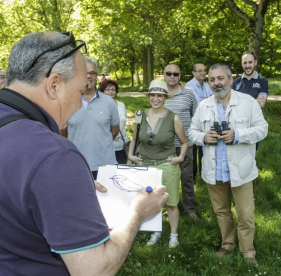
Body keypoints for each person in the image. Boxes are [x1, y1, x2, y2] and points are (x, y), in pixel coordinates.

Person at [0, 31, 168, 275]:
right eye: (79, 92)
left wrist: (58, 187)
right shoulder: (54, 156)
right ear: (54, 85)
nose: (80, 105)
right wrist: (137, 213)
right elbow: (94, 270)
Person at [189, 63, 268, 265]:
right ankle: (228, 244)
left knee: (245, 215)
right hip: (215, 170)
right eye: (212, 80)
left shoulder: (248, 102)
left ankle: (248, 252)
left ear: (231, 80)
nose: (216, 83)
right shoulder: (203, 106)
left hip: (241, 170)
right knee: (222, 212)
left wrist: (239, 135)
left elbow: (263, 129)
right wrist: (204, 137)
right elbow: (192, 132)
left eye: (221, 78)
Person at [128, 80, 188, 248]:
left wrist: (180, 157)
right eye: (152, 95)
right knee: (149, 202)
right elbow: (134, 139)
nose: (156, 99)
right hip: (145, 165)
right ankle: (156, 231)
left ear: (164, 98)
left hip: (166, 164)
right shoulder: (140, 115)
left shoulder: (173, 117)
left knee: (171, 203)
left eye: (159, 96)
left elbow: (184, 142)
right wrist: (131, 155)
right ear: (148, 97)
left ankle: (173, 234)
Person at [61, 57, 120, 179]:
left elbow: (114, 130)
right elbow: (63, 133)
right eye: (85, 72)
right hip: (78, 165)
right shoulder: (67, 102)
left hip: (105, 166)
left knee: (106, 198)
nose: (89, 76)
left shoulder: (109, 102)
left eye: (92, 73)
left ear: (97, 76)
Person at [163, 63, 199, 219]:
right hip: (164, 145)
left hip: (186, 145)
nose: (172, 76)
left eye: (175, 74)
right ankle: (171, 206)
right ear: (163, 74)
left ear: (180, 76)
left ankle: (190, 209)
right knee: (168, 179)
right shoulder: (159, 93)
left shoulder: (189, 93)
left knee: (186, 178)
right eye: (169, 73)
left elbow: (196, 116)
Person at [186, 63, 213, 178]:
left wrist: (204, 100)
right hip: (194, 123)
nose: (203, 73)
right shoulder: (189, 86)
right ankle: (193, 175)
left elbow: (214, 100)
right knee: (193, 150)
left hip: (207, 123)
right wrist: (207, 100)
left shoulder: (207, 85)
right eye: (199, 70)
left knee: (204, 149)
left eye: (204, 70)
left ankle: (203, 174)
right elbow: (197, 103)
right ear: (193, 73)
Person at [100, 77, 129, 164]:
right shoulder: (99, 107)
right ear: (102, 92)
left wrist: (127, 142)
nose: (110, 91)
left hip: (121, 146)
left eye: (113, 89)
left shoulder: (121, 105)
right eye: (107, 89)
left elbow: (123, 126)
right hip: (104, 147)